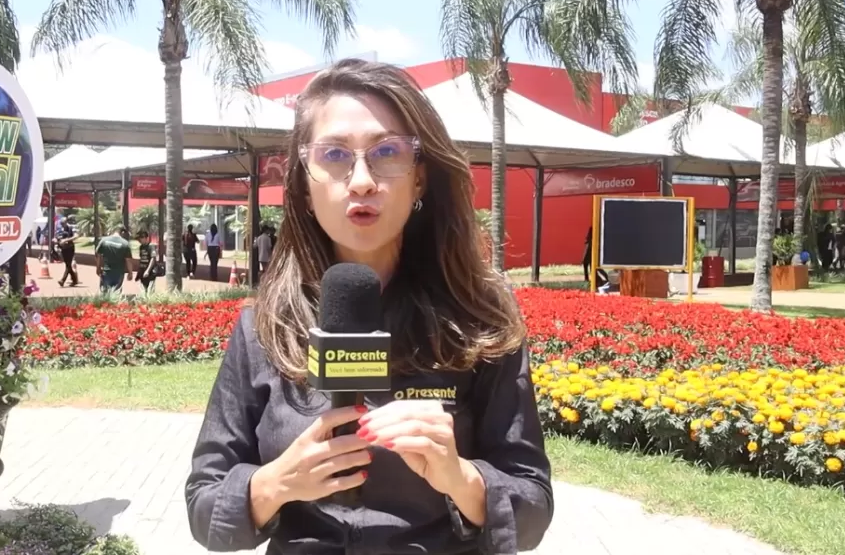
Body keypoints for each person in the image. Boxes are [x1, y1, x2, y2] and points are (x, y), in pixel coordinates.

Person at [185, 59, 553, 554]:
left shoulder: (480, 320)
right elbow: (204, 507)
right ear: (305, 185)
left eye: (387, 152)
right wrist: (275, 485)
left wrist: (460, 477)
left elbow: (532, 508)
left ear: (419, 179)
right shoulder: (262, 327)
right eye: (335, 155)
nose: (361, 180)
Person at [96, 226, 133, 294]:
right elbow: (128, 260)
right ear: (122, 232)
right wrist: (130, 273)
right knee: (116, 293)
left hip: (106, 272)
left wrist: (98, 268)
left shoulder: (104, 240)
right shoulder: (125, 244)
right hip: (119, 273)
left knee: (105, 293)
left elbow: (98, 255)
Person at [57, 216, 79, 287]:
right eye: (61, 224)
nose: (62, 225)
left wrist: (66, 240)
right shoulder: (61, 229)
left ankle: (62, 280)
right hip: (63, 249)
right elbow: (58, 236)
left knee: (68, 264)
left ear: (66, 222)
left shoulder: (71, 227)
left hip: (70, 248)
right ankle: (74, 280)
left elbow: (76, 236)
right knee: (67, 264)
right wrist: (57, 240)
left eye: (63, 223)